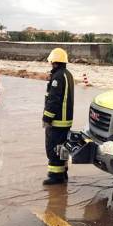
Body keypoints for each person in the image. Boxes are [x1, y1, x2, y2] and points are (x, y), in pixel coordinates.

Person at [42, 47, 74, 185]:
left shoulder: (57, 77)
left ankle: (55, 177)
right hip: (66, 120)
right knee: (63, 147)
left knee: (53, 148)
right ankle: (63, 172)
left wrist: (47, 118)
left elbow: (53, 100)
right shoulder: (68, 74)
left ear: (55, 62)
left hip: (57, 121)